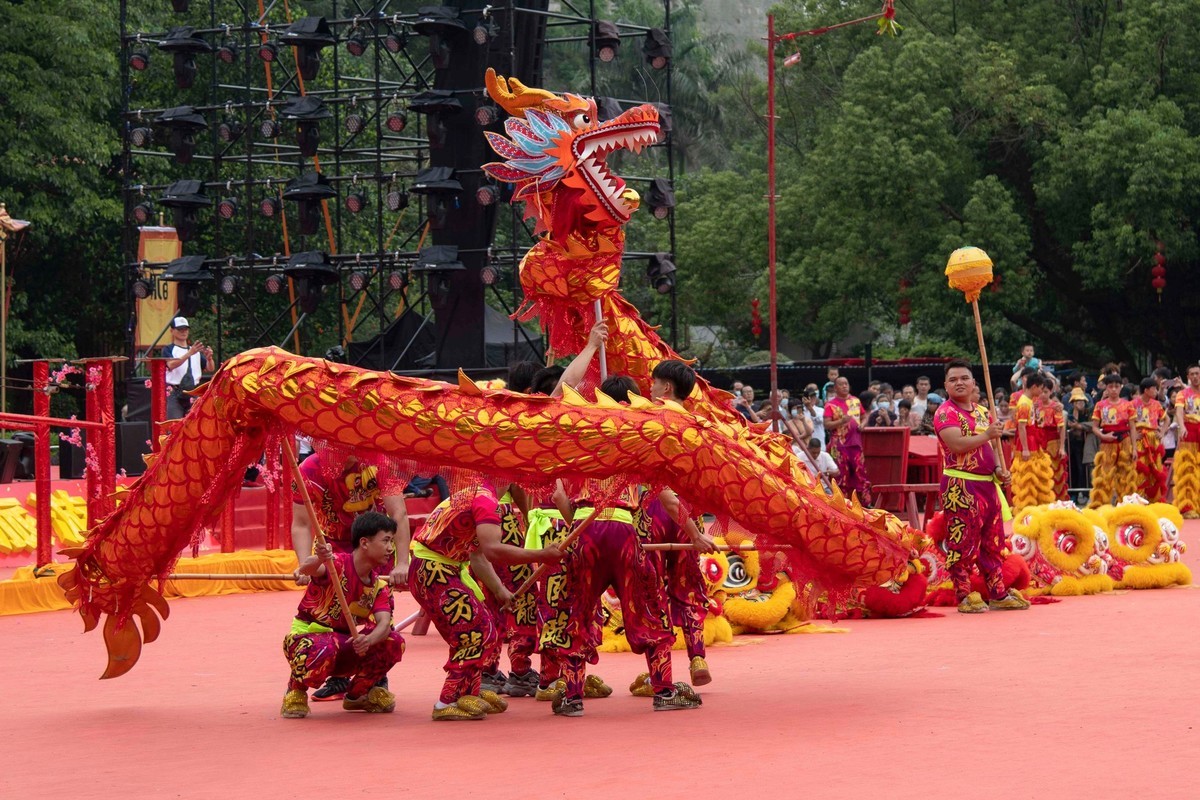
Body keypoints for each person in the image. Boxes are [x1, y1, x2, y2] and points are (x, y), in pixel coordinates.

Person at [409, 481, 563, 721]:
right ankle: (447, 701)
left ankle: (470, 692)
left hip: (440, 569)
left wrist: (500, 590)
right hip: (433, 571)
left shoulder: (477, 496)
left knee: (487, 630)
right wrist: (541, 554)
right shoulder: (486, 502)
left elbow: (477, 555)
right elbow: (493, 551)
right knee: (473, 632)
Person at [290, 446, 411, 701]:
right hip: (332, 546)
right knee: (334, 612)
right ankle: (337, 677)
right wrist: (303, 565)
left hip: (374, 545)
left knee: (379, 615)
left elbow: (397, 512)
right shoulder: (308, 471)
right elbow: (301, 523)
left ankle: (372, 680)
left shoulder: (379, 461)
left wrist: (402, 562)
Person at [280, 511, 407, 719]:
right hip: (309, 640)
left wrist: (369, 640)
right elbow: (310, 569)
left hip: (344, 643)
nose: (390, 548)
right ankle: (295, 689)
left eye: (392, 541)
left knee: (393, 641)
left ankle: (358, 694)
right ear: (364, 543)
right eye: (385, 541)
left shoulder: (379, 587)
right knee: (327, 646)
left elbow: (384, 624)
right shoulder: (335, 564)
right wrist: (319, 558)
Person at [933, 359, 1029, 614]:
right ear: (945, 385)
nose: (959, 383)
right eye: (953, 379)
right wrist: (988, 434)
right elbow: (957, 444)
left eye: (964, 378)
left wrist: (998, 469)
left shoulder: (983, 412)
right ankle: (964, 594)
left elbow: (991, 448)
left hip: (987, 486)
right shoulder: (945, 412)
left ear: (974, 382)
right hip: (961, 485)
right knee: (962, 541)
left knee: (993, 542)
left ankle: (998, 592)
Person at [647, 359, 718, 687]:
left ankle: (660, 675)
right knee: (688, 587)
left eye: (653, 383)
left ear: (666, 388)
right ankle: (698, 654)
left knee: (654, 592)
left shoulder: (649, 417)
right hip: (688, 510)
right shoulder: (698, 424)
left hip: (656, 510)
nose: (649, 389)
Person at [1089, 374, 1138, 508]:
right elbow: (1094, 427)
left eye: (1117, 386)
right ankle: (1101, 504)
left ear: (1121, 387)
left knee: (1125, 474)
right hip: (1107, 443)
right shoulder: (1100, 405)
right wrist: (1104, 436)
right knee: (1104, 474)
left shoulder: (1128, 405)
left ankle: (1126, 504)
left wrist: (1134, 448)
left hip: (1125, 441)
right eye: (1111, 387)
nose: (1114, 390)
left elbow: (1133, 427)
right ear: (1106, 388)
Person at [823, 376, 871, 504]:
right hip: (839, 445)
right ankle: (842, 503)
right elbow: (827, 425)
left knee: (860, 472)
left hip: (855, 443)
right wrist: (841, 421)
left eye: (846, 383)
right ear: (835, 388)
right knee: (841, 475)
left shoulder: (855, 401)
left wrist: (863, 424)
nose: (845, 386)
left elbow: (864, 415)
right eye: (841, 384)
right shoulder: (830, 405)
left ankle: (864, 502)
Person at [1011, 373, 1055, 509]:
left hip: (1033, 440)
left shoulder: (1030, 401)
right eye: (1041, 388)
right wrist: (1025, 448)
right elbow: (1022, 427)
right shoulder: (1024, 403)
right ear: (1034, 387)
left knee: (1036, 473)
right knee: (1028, 475)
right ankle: (1027, 506)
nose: (1042, 391)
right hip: (1028, 442)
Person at [162, 316, 213, 419]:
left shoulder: (195, 350)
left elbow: (210, 368)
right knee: (174, 425)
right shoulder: (169, 349)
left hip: (193, 391)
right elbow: (170, 365)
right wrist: (189, 354)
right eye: (180, 329)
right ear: (172, 331)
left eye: (185, 329)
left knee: (193, 426)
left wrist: (209, 359)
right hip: (174, 391)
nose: (183, 332)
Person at [1131, 377, 1169, 502]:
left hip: (1153, 438)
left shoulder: (1156, 404)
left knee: (1156, 468)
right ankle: (1139, 498)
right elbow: (1126, 422)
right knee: (1141, 468)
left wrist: (1162, 432)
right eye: (1154, 389)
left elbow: (1167, 419)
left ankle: (1156, 499)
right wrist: (1133, 435)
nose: (1156, 391)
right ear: (1146, 390)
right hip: (1140, 439)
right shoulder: (1133, 404)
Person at [1173, 365, 1200, 518]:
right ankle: (1187, 506)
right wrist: (1182, 426)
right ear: (1188, 377)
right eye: (1192, 374)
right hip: (1189, 432)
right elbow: (1179, 411)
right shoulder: (1183, 394)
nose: (1195, 377)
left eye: (1197, 374)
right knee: (1187, 470)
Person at [1065, 388, 1093, 504]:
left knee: (1084, 469)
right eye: (1076, 401)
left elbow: (1092, 425)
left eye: (1081, 401)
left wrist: (1079, 426)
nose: (1079, 403)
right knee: (1073, 469)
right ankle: (1074, 494)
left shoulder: (1088, 412)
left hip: (1085, 444)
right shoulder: (1069, 413)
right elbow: (1067, 426)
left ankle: (1086, 493)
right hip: (1072, 444)